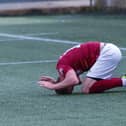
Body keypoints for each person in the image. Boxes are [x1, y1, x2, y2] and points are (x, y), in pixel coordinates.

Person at [38, 41, 126, 94]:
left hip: (106, 52)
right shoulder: (66, 71)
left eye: (70, 87)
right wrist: (55, 83)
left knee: (86, 89)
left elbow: (73, 80)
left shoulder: (61, 66)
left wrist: (53, 86)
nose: (73, 85)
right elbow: (77, 81)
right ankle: (123, 79)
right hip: (108, 52)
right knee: (91, 85)